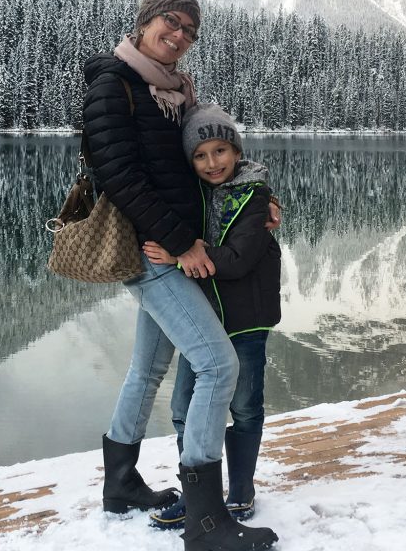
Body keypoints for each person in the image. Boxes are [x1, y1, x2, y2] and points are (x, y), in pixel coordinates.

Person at [82, 0, 278, 551]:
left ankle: (119, 484)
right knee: (219, 366)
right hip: (154, 253)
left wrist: (254, 196)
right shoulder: (113, 85)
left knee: (147, 370)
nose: (179, 35)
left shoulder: (169, 91)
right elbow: (121, 179)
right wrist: (182, 244)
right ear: (145, 23)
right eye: (171, 22)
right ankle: (206, 520)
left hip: (171, 246)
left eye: (189, 29)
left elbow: (204, 163)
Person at [141, 103, 281, 532]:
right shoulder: (192, 194)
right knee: (184, 409)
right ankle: (198, 494)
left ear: (236, 151)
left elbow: (237, 261)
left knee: (244, 408)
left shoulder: (255, 198)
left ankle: (239, 492)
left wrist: (180, 256)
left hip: (246, 321)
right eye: (200, 155)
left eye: (220, 151)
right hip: (201, 322)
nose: (211, 163)